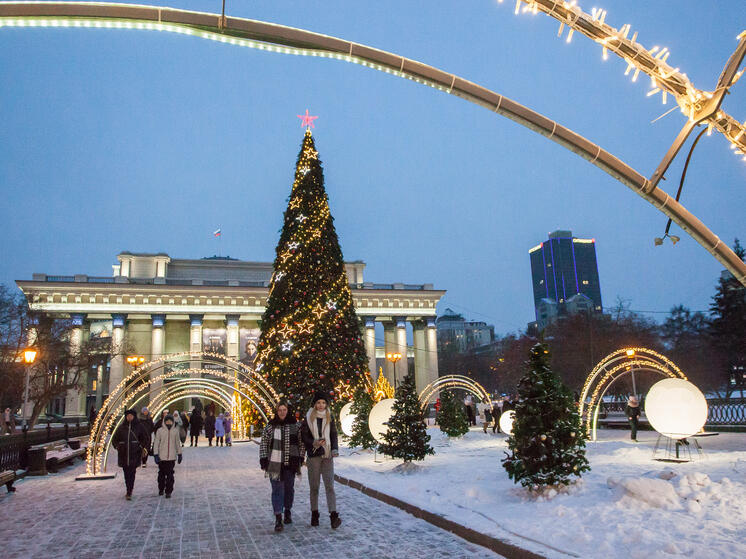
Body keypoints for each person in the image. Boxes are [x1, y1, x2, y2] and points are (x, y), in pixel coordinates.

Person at [259, 402, 303, 532]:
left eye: (284, 410)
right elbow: (264, 443)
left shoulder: (295, 426)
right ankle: (278, 517)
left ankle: (287, 510)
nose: (282, 412)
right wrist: (263, 459)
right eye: (280, 410)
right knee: (277, 490)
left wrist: (300, 457)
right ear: (276, 411)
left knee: (289, 489)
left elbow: (301, 443)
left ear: (288, 411)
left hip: (290, 464)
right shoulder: (271, 426)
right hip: (274, 463)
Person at [301, 391, 342, 529]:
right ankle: (315, 513)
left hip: (327, 455)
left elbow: (334, 434)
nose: (321, 405)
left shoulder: (329, 416)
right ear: (315, 404)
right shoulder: (308, 417)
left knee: (330, 485)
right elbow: (304, 436)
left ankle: (333, 515)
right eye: (318, 402)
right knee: (314, 487)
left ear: (326, 404)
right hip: (314, 455)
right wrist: (314, 442)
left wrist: (334, 448)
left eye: (323, 403)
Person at [112, 409, 148, 500]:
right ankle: (128, 488)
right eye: (128, 416)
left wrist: (140, 446)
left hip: (134, 453)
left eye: (131, 416)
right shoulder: (121, 427)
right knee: (126, 473)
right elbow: (114, 439)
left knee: (132, 472)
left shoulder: (139, 426)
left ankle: (129, 490)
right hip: (123, 454)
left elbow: (145, 438)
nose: (129, 417)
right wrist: (118, 446)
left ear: (134, 416)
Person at [152, 413, 183, 498]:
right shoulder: (160, 431)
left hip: (171, 457)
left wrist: (179, 453)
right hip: (162, 457)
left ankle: (169, 491)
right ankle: (161, 488)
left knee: (170, 475)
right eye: (167, 421)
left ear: (173, 422)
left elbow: (177, 443)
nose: (169, 422)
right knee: (161, 474)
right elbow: (156, 443)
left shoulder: (175, 431)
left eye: (170, 421)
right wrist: (156, 454)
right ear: (164, 422)